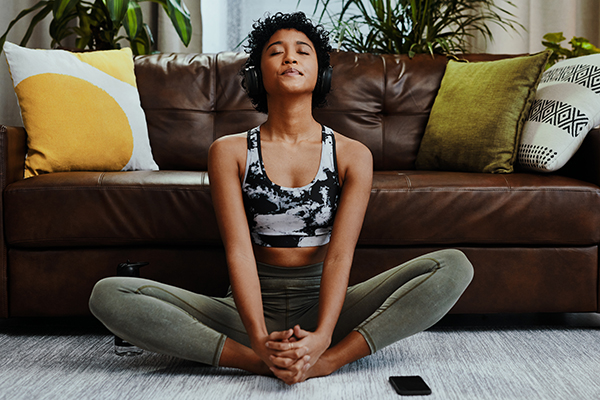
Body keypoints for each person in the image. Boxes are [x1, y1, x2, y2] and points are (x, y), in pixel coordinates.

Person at [89, 12, 474, 385]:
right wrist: (257, 338)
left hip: (325, 304)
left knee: (454, 266)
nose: (289, 56)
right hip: (248, 309)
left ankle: (325, 362)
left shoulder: (353, 154)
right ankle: (255, 363)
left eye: (303, 51)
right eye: (275, 51)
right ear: (258, 74)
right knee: (109, 294)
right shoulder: (230, 151)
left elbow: (340, 254)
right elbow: (238, 250)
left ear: (320, 73)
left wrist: (324, 337)